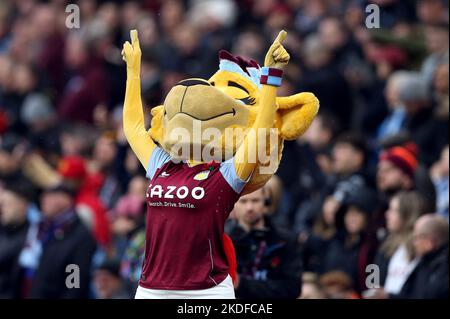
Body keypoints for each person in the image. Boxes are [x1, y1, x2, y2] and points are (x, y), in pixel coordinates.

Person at [122, 29, 299, 299]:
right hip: (150, 289)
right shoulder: (161, 163)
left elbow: (259, 132)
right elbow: (134, 128)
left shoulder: (227, 174)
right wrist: (133, 72)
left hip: (207, 291)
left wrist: (271, 78)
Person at [21, 183, 96, 298]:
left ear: (65, 199)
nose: (43, 199)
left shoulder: (80, 236)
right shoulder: (43, 227)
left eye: (49, 195)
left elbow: (74, 284)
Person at [228, 187, 303, 299]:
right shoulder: (223, 240)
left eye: (255, 201)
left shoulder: (284, 240)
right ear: (234, 205)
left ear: (266, 203)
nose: (249, 208)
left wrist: (242, 284)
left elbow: (292, 288)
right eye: (243, 201)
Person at [371, 214, 449, 299]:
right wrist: (388, 296)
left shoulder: (441, 269)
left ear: (430, 242)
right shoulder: (425, 263)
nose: (414, 243)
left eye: (416, 238)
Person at [374, 191, 426, 295]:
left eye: (393, 211)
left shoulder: (422, 248)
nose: (387, 214)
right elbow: (375, 278)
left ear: (408, 216)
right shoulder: (386, 245)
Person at [0, 178, 36, 298]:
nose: (2, 209)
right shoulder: (3, 228)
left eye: (7, 204)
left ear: (23, 205)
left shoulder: (32, 237)